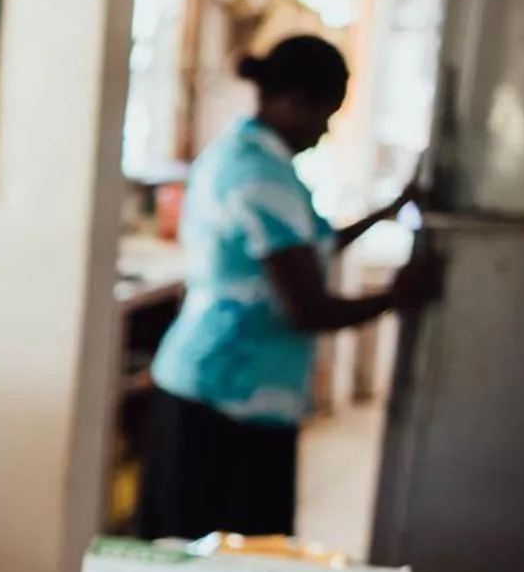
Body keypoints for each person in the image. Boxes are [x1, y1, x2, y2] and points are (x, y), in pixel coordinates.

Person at [137, 34, 439, 542]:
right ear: (294, 101)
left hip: (222, 389)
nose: (323, 131)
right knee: (229, 561)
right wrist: (395, 298)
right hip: (228, 399)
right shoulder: (260, 175)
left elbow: (313, 245)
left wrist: (387, 211)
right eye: (324, 114)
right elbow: (307, 308)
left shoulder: (247, 152)